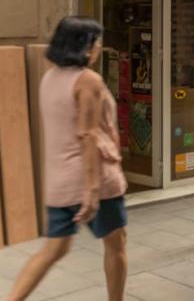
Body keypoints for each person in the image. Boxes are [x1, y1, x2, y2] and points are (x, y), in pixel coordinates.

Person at [7, 17, 129, 301]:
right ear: (84, 46)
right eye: (96, 42)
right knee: (116, 244)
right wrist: (92, 192)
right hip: (94, 179)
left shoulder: (49, 78)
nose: (98, 47)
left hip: (59, 183)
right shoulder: (88, 80)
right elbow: (87, 135)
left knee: (54, 249)